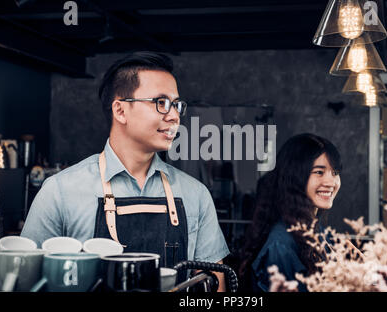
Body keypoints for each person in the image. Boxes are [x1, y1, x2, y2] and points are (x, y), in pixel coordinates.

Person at [21, 51, 230, 291]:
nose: (174, 116)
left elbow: (215, 282)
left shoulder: (196, 194)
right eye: (161, 103)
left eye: (176, 105)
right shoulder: (59, 192)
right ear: (120, 111)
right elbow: (26, 280)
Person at [238, 133, 342, 292]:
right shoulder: (280, 245)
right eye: (319, 172)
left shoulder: (316, 228)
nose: (331, 183)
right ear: (296, 177)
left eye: (335, 172)